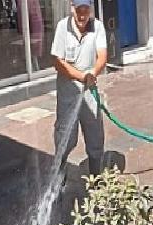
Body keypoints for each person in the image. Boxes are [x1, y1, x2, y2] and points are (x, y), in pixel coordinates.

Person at [50, 0, 107, 179]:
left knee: (95, 136)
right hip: (68, 94)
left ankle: (96, 181)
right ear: (71, 8)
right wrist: (81, 76)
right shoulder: (62, 27)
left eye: (86, 10)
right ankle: (59, 179)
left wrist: (93, 72)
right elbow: (58, 63)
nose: (82, 15)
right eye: (78, 10)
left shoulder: (97, 26)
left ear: (90, 9)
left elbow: (102, 55)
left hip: (89, 93)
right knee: (66, 138)